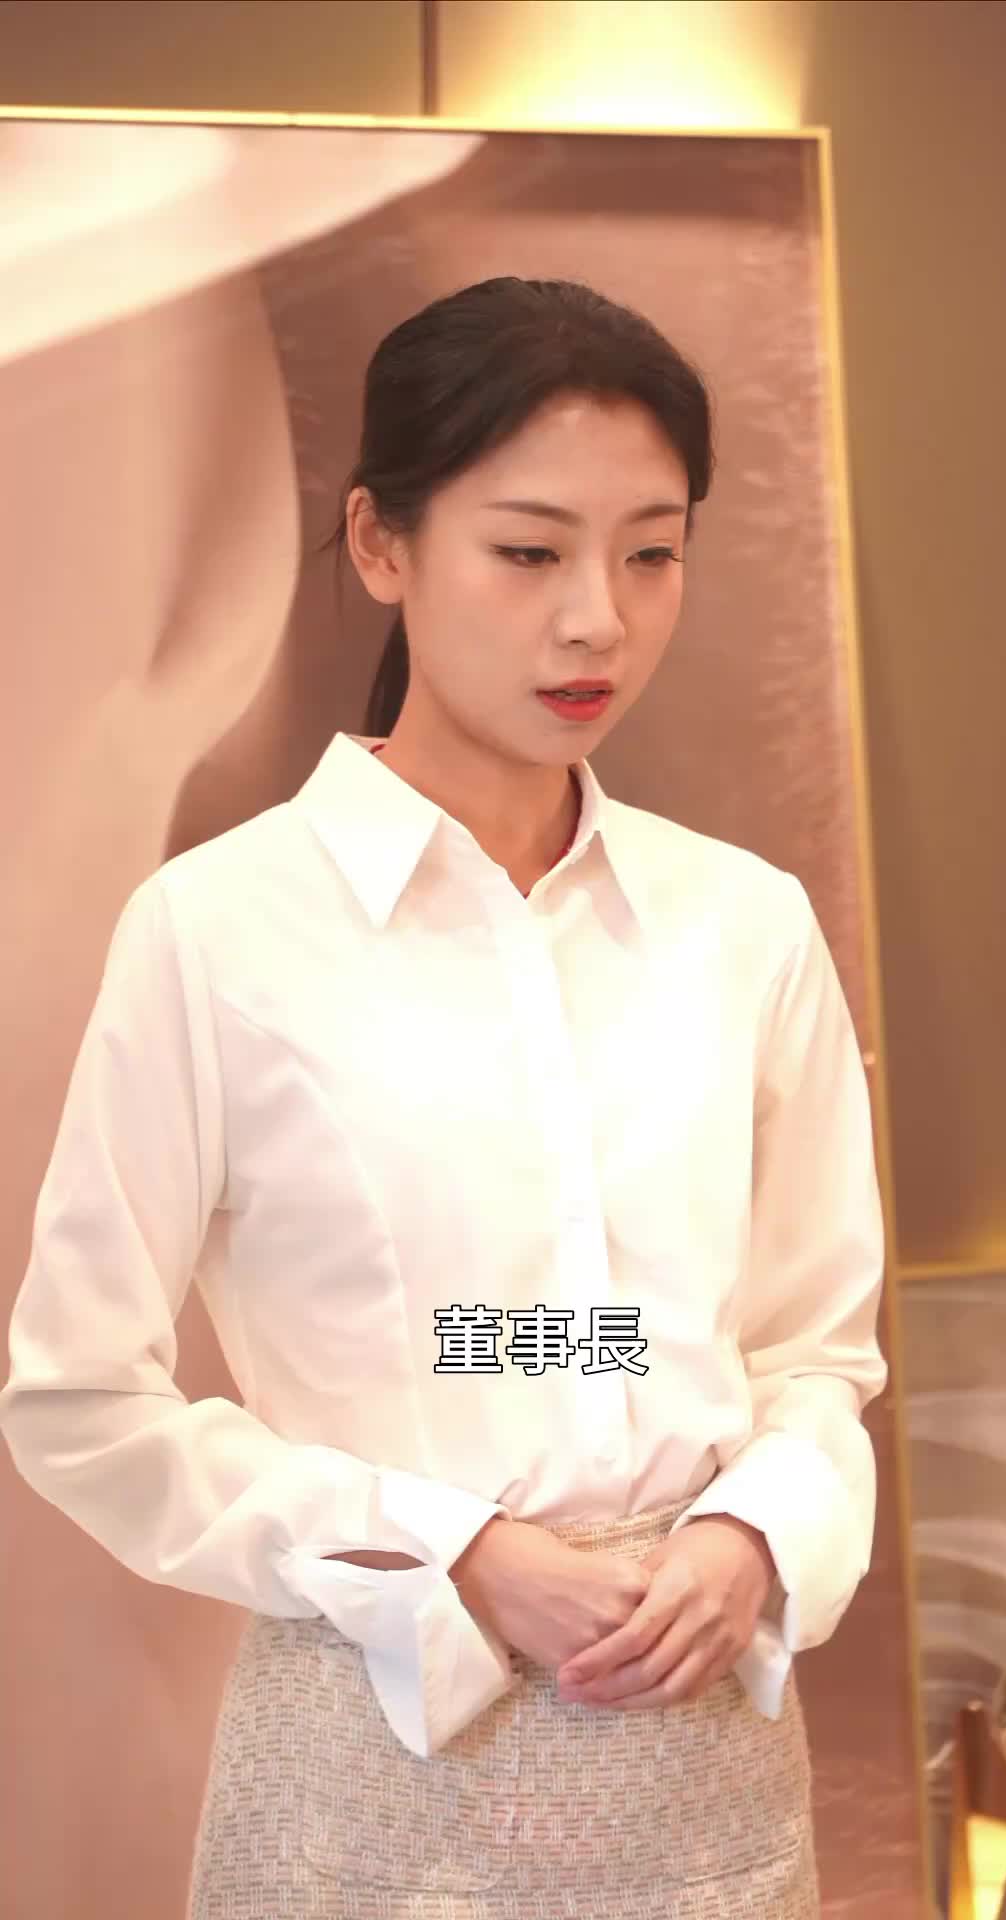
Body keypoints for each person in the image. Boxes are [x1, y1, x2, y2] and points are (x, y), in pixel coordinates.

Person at [0, 275, 888, 1919]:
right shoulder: (216, 931)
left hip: (706, 1754)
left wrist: (755, 1534)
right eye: (531, 551)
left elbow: (815, 1350)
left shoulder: (743, 926)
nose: (597, 620)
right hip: (370, 1760)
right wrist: (444, 1546)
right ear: (381, 544)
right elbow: (76, 1400)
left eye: (651, 552)